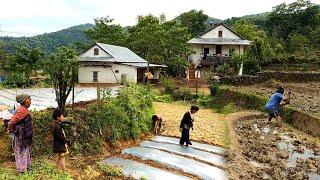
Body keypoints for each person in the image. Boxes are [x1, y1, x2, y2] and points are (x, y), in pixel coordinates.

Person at [7, 94, 33, 175]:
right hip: (20, 136)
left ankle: (26, 167)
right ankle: (21, 171)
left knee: (25, 151)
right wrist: (11, 130)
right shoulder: (21, 111)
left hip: (23, 136)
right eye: (29, 99)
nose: (30, 101)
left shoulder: (23, 109)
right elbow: (11, 122)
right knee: (21, 152)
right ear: (24, 101)